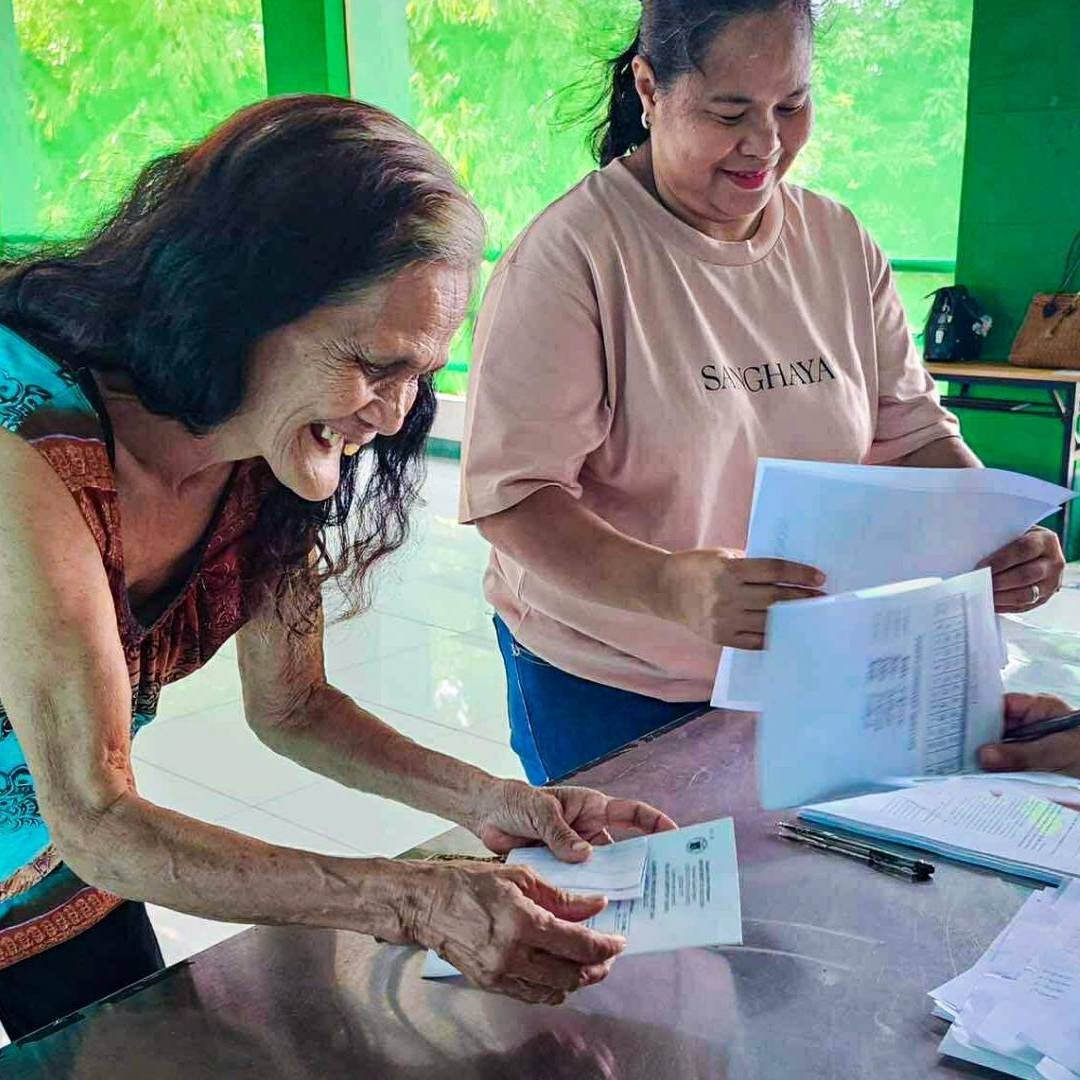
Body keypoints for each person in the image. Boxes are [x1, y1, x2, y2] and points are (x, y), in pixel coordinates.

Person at [0, 96, 677, 1040]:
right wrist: (412, 901)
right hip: (80, 833)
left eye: (422, 377)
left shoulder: (261, 457)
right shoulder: (22, 437)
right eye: (373, 364)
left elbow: (294, 707)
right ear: (237, 302)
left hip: (44, 866)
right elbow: (99, 815)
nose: (396, 416)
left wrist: (497, 803)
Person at [459, 0, 1065, 785]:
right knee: (650, 896)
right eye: (729, 111)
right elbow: (513, 498)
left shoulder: (839, 243)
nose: (767, 144)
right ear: (648, 88)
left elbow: (913, 432)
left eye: (792, 104)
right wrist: (668, 585)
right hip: (618, 682)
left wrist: (990, 531)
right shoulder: (574, 259)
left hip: (813, 665)